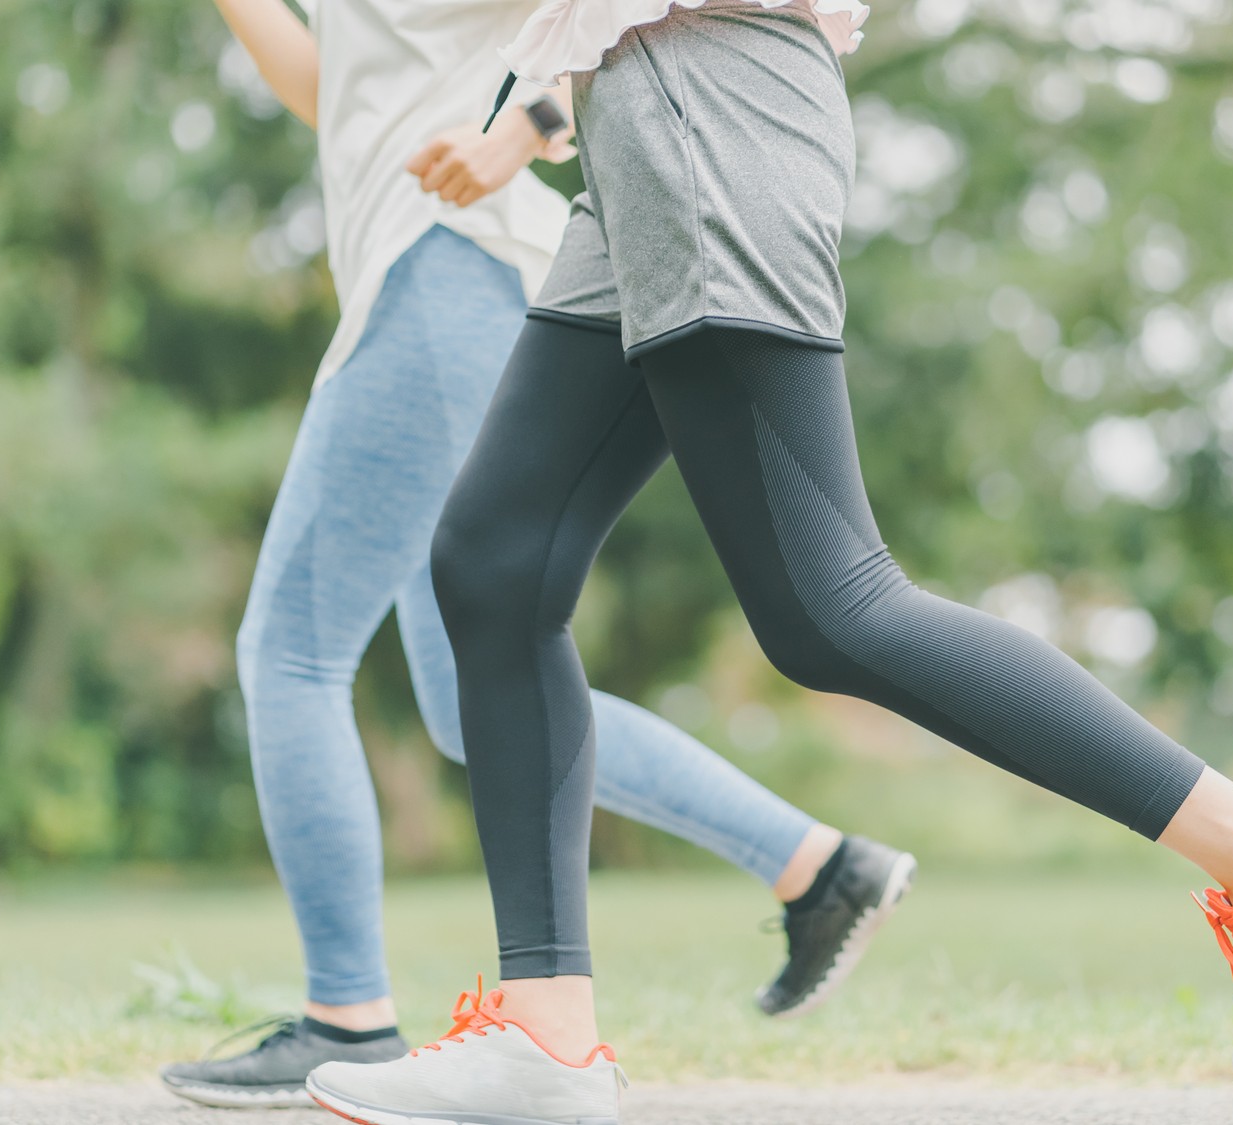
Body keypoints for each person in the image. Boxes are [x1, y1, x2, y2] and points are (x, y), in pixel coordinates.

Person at [299, 2, 1233, 1122]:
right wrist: (539, 105)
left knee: (828, 606)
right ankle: (543, 1037)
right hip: (636, 112)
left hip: (703, 103)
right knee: (493, 562)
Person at [159, 0, 916, 1108]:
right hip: (439, 272)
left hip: (438, 270)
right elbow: (336, 94)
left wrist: (523, 129)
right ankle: (815, 866)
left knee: (292, 654)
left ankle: (348, 1014)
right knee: (469, 701)